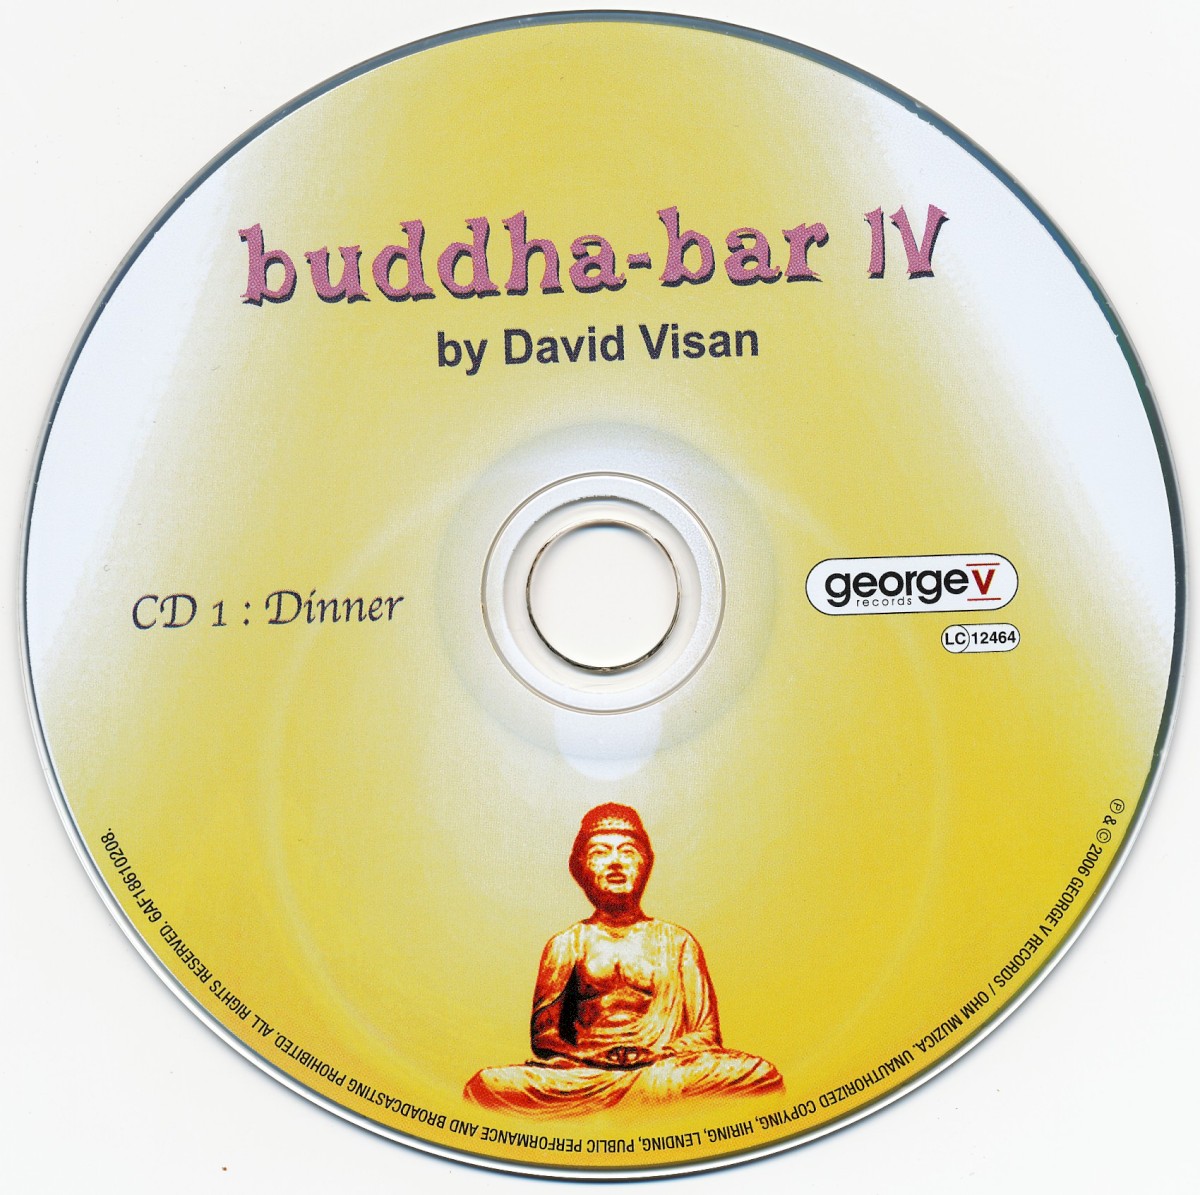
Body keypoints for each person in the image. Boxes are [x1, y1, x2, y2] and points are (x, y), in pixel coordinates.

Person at [463, 803, 782, 1116]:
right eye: (600, 852)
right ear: (581, 869)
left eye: (627, 851)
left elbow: (706, 1032)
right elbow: (545, 1036)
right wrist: (592, 1056)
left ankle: (634, 1096)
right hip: (586, 1072)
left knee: (759, 1075)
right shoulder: (567, 944)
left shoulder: (677, 941)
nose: (615, 862)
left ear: (646, 864)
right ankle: (639, 1101)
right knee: (488, 1085)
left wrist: (657, 1054)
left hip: (664, 1066)